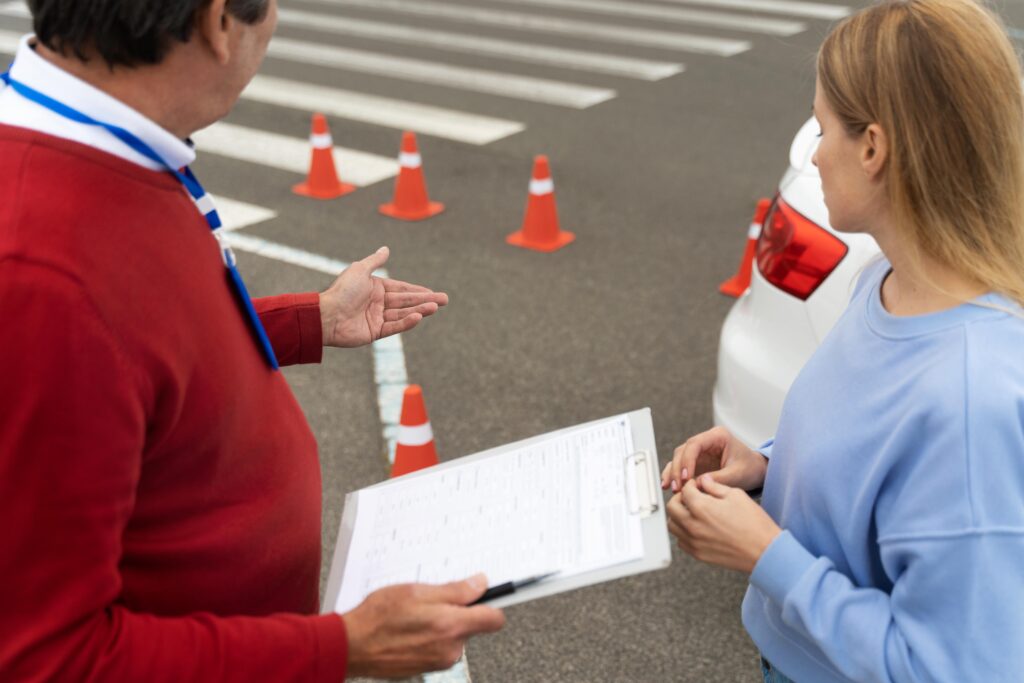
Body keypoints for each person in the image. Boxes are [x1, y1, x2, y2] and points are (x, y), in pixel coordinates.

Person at [0, 0, 504, 679]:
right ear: (218, 23)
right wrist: (343, 646)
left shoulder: (104, 147)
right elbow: (50, 658)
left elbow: (137, 354)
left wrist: (310, 320)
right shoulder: (41, 268)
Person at [661, 0, 1024, 681]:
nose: (814, 155)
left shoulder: (972, 398)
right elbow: (876, 471)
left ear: (874, 147)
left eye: (823, 128)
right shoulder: (885, 282)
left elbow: (955, 668)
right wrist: (768, 467)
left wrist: (769, 557)